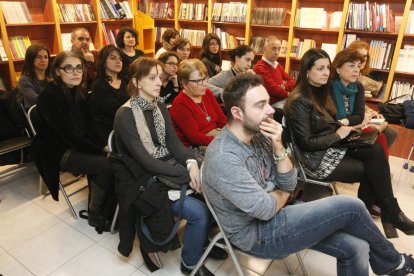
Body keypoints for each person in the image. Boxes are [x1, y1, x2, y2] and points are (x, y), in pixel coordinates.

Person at [203, 72, 414, 276]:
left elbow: (290, 179)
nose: (270, 110)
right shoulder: (224, 156)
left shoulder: (260, 135)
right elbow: (266, 209)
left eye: (268, 102)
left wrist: (278, 146)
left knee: (357, 247)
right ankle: (393, 263)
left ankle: (390, 263)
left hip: (281, 211)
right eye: (260, 105)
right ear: (237, 113)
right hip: (257, 234)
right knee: (352, 206)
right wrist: (283, 192)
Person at [113, 57, 227, 276]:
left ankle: (200, 241)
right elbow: (146, 161)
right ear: (137, 82)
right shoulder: (125, 114)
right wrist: (186, 173)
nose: (160, 82)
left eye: (160, 76)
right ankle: (190, 264)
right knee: (200, 213)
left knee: (217, 193)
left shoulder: (159, 106)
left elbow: (174, 144)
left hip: (166, 167)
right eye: (152, 78)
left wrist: (192, 163)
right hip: (144, 178)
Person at [284, 48, 414, 239]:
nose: (326, 73)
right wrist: (338, 133)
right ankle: (385, 215)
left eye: (327, 67)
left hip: (331, 145)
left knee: (376, 146)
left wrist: (346, 128)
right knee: (372, 171)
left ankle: (387, 213)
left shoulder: (319, 91)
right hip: (315, 159)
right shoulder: (299, 100)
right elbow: (306, 143)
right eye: (320, 69)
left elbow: (334, 121)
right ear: (306, 71)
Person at [33, 51, 114, 231]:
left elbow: (92, 126)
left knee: (113, 159)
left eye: (79, 67)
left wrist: (105, 145)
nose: (75, 72)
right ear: (57, 72)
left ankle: (108, 209)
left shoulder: (81, 92)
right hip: (57, 151)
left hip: (76, 145)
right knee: (108, 165)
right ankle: (95, 214)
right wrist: (99, 151)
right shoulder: (49, 96)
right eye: (68, 68)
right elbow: (67, 135)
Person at [331, 47, 390, 161]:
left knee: (382, 136)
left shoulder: (358, 86)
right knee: (378, 140)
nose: (356, 70)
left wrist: (347, 121)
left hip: (351, 128)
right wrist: (355, 123)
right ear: (338, 68)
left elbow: (359, 115)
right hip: (337, 134)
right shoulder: (329, 87)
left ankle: (379, 170)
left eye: (358, 66)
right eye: (351, 65)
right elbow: (334, 122)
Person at [347, 40, 398, 149]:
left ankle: (374, 158)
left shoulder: (359, 75)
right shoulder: (345, 74)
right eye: (358, 55)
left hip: (357, 115)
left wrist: (370, 111)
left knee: (391, 132)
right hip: (349, 119)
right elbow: (346, 103)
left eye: (364, 57)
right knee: (378, 132)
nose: (362, 60)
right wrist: (363, 117)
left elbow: (357, 101)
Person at [170, 59, 227, 148]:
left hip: (216, 136)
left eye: (204, 79)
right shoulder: (179, 103)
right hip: (196, 147)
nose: (204, 84)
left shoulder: (207, 93)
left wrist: (228, 134)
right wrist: (222, 140)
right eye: (198, 81)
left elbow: (222, 119)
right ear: (184, 83)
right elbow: (194, 138)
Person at [90, 45, 129, 138]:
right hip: (112, 131)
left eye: (120, 59)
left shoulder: (127, 81)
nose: (118, 61)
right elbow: (116, 110)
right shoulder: (98, 85)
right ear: (103, 62)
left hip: (130, 125)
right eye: (113, 58)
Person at [253, 36, 295, 108]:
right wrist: (289, 94)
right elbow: (274, 90)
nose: (277, 52)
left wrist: (282, 86)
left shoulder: (277, 65)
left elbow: (292, 81)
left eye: (279, 49)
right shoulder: (260, 67)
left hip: (283, 100)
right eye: (273, 48)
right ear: (265, 49)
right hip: (271, 104)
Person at [18, 44, 52, 110]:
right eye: (39, 57)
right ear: (31, 59)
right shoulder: (24, 80)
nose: (43, 60)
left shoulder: (53, 76)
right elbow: (35, 100)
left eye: (46, 57)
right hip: (37, 114)